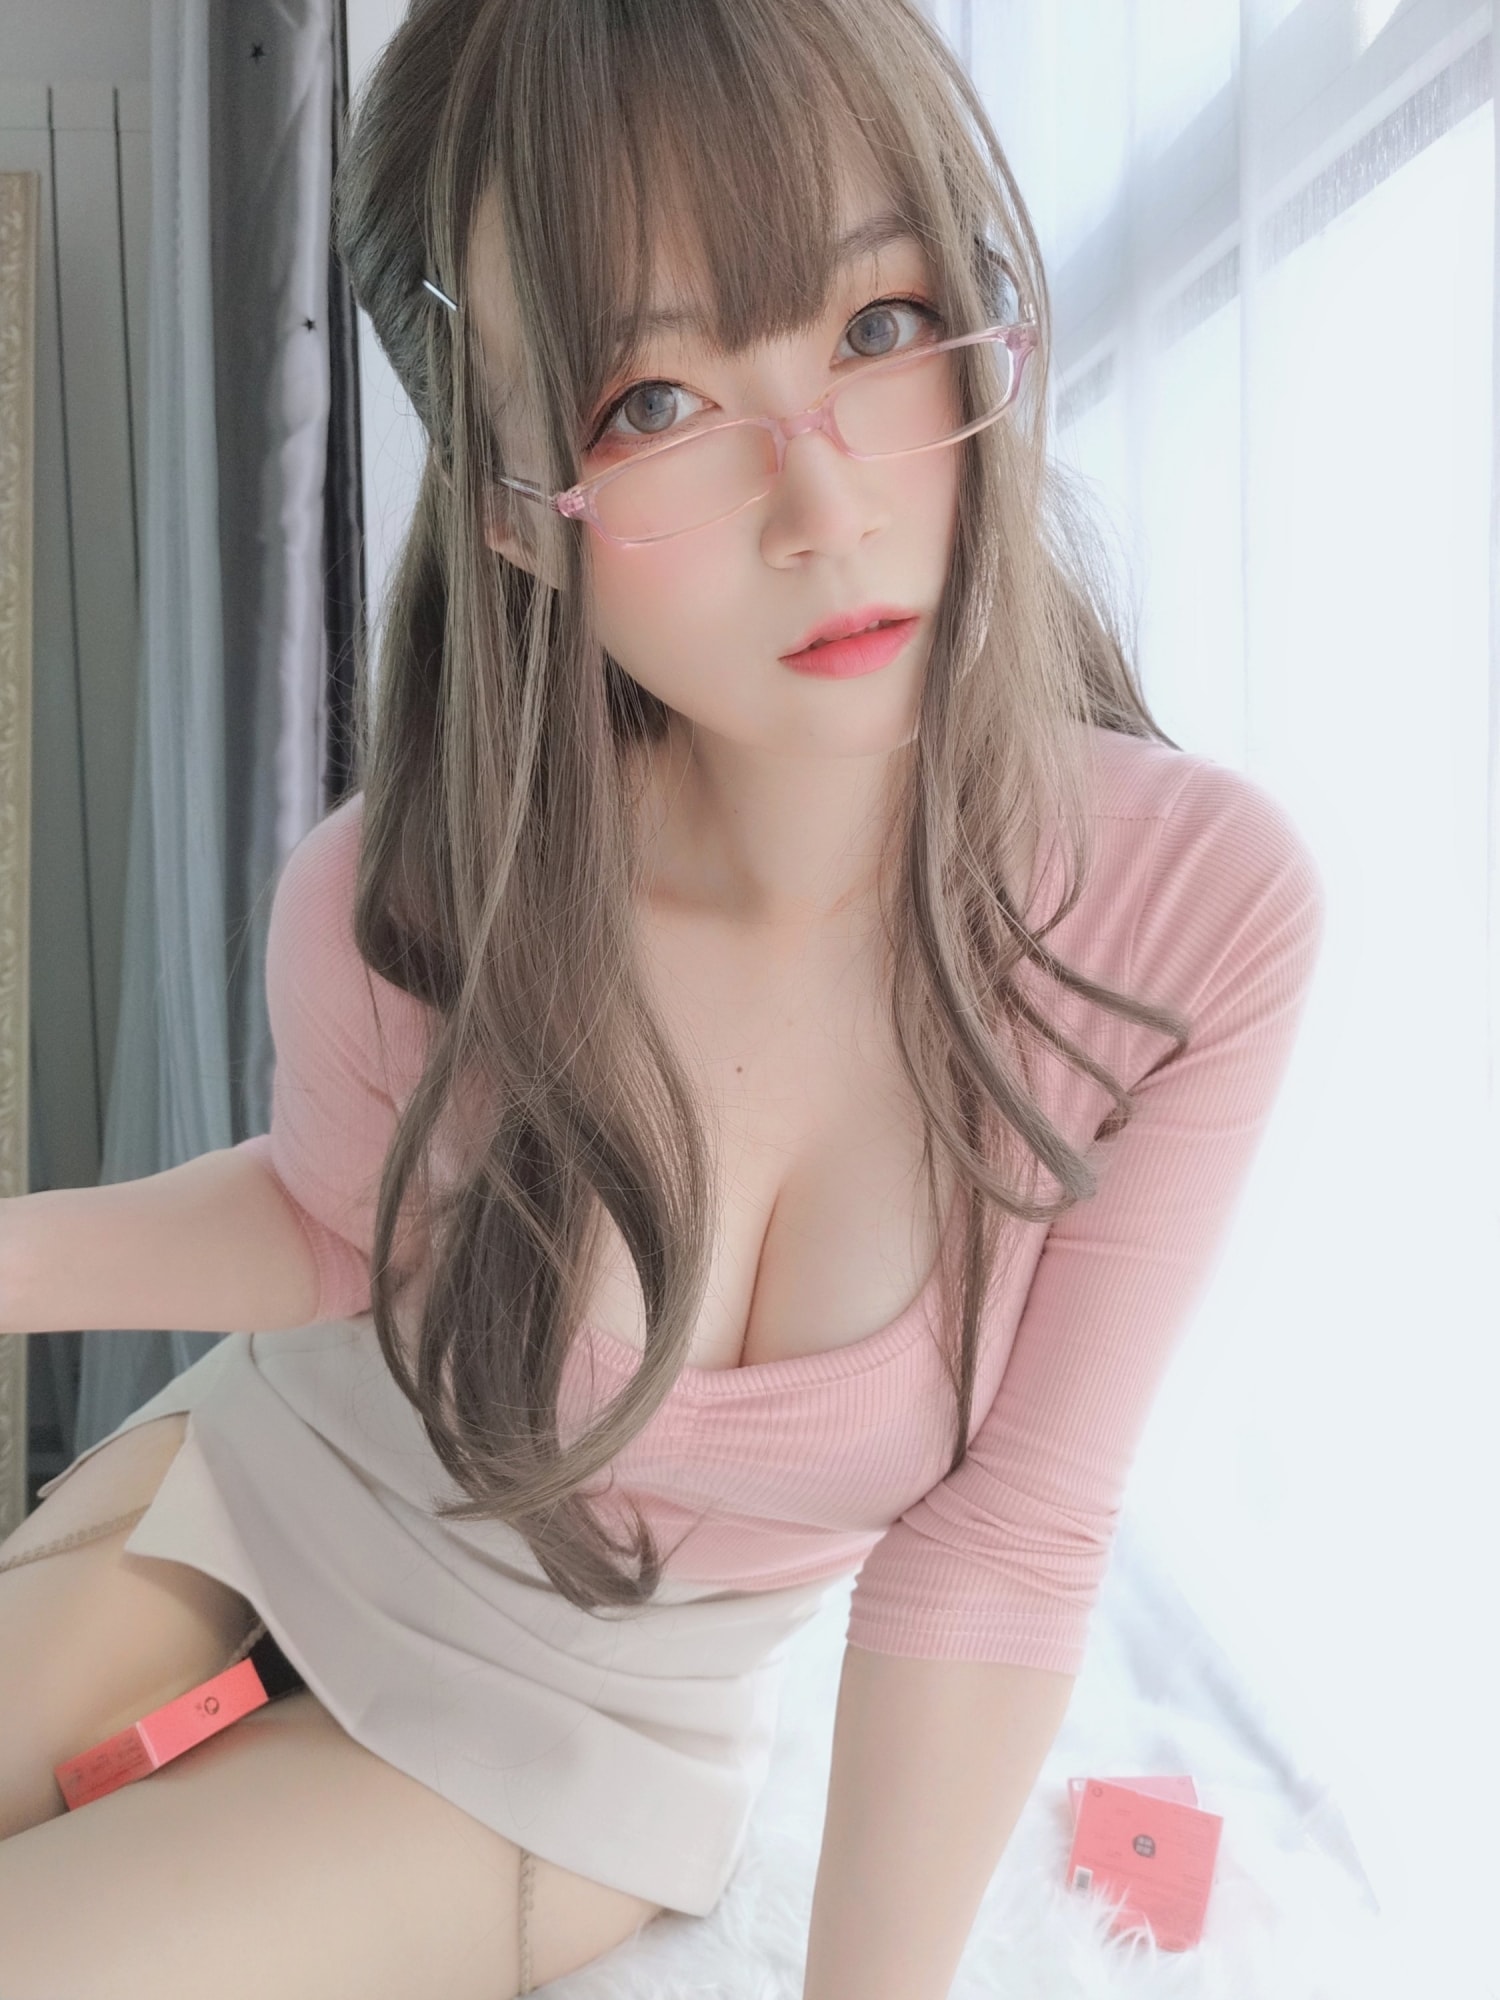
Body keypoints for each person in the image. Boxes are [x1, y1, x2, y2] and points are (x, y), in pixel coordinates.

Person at [0, 0, 1325, 1995]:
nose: (825, 506)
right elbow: (335, 1228)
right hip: (267, 1482)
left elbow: (1010, 1541)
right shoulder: (416, 887)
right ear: (517, 515)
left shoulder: (1183, 920)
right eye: (655, 403)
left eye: (880, 325)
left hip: (573, 1733)